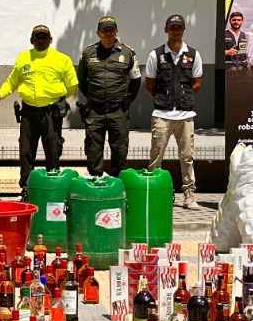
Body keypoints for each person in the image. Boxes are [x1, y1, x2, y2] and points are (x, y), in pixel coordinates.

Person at [0, 24, 78, 191]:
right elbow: (11, 82)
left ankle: (53, 186)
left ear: (50, 40)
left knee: (53, 150)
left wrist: (59, 99)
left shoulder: (62, 59)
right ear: (31, 40)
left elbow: (72, 85)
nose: (41, 40)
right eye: (37, 37)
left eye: (44, 37)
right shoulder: (23, 58)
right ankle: (26, 188)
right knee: (26, 151)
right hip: (28, 112)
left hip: (51, 112)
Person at [143, 14, 204, 210]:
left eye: (179, 27)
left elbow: (197, 82)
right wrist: (165, 97)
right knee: (156, 156)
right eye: (172, 27)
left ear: (183, 30)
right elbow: (149, 84)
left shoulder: (193, 54)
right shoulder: (156, 55)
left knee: (187, 157)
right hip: (162, 114)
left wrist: (182, 97)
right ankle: (154, 194)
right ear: (166, 30)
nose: (175, 31)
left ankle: (189, 196)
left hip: (185, 115)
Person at [76, 15, 139, 177]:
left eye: (111, 30)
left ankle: (117, 181)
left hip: (118, 110)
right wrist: (92, 98)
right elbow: (81, 80)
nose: (108, 33)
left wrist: (127, 100)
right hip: (95, 110)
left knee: (120, 148)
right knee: (93, 147)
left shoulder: (128, 53)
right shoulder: (88, 53)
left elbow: (136, 80)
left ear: (116, 31)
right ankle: (96, 180)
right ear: (98, 33)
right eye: (105, 30)